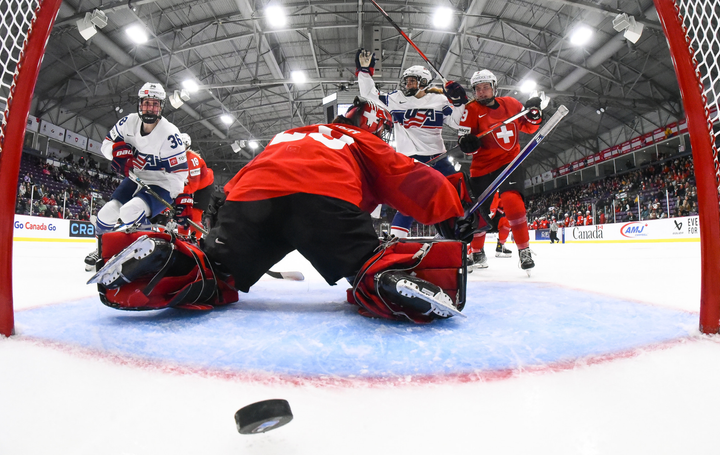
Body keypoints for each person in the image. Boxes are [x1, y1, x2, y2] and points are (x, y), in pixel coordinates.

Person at [90, 97, 476, 324]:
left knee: (215, 273)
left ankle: (175, 261)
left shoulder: (290, 133)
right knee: (366, 267)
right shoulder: (360, 139)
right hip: (323, 201)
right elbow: (406, 176)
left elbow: (242, 179)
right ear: (374, 127)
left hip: (252, 201)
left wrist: (228, 225)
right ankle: (383, 279)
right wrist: (450, 213)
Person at [355, 49, 468, 238]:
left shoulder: (439, 100)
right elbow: (369, 94)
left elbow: (457, 122)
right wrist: (365, 72)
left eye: (412, 80)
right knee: (410, 201)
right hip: (411, 160)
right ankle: (396, 241)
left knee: (459, 195)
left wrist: (460, 101)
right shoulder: (395, 99)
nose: (407, 84)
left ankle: (458, 237)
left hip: (438, 157)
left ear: (424, 82)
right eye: (406, 80)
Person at [84, 82, 189, 270]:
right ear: (140, 104)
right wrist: (116, 153)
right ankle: (102, 252)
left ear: (161, 107)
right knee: (106, 213)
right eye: (147, 103)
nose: (150, 108)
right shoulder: (128, 122)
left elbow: (179, 175)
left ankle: (152, 252)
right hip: (135, 178)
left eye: (155, 104)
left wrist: (177, 199)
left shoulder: (170, 135)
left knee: (129, 212)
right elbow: (106, 145)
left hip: (161, 184)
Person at [456, 69, 543, 273]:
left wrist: (534, 114)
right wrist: (468, 144)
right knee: (479, 212)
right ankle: (476, 251)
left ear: (494, 87)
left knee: (513, 202)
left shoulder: (511, 104)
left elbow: (530, 127)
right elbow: (467, 146)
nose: (482, 92)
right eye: (478, 89)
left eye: (486, 87)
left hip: (509, 163)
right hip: (482, 168)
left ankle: (524, 250)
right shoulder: (471, 110)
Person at [174, 133, 215, 238]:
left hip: (203, 187)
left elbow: (193, 187)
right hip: (190, 185)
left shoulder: (193, 160)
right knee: (182, 212)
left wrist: (175, 191)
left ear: (186, 146)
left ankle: (195, 240)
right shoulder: (172, 155)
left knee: (194, 214)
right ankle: (181, 237)